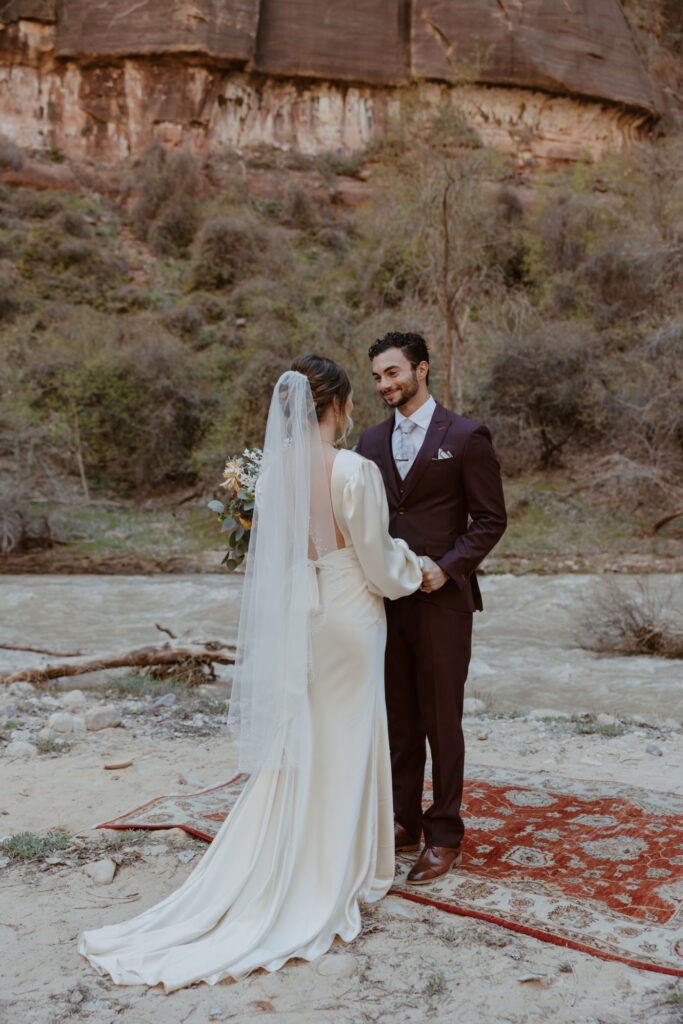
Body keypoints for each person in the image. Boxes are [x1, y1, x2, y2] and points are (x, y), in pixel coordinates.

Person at [78, 355, 423, 991]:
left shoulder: (272, 476)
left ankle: (294, 854)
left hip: (302, 614)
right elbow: (376, 561)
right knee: (351, 733)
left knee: (308, 731)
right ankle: (342, 868)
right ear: (339, 407)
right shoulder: (353, 469)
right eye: (349, 405)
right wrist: (415, 568)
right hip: (349, 613)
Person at [356, 332, 507, 884]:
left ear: (421, 369)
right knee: (399, 717)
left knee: (443, 720)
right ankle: (404, 821)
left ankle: (445, 833)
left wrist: (447, 566)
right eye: (377, 377)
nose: (384, 385)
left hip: (444, 603)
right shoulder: (368, 443)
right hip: (386, 604)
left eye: (393, 373)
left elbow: (491, 520)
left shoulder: (466, 436)